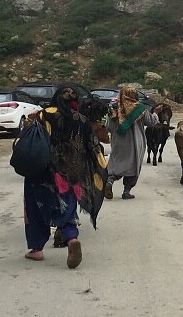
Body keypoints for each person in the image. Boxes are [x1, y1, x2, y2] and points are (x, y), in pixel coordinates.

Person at [23, 87, 106, 269]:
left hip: (42, 171)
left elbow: (27, 135)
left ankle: (36, 249)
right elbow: (94, 147)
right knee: (66, 207)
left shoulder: (43, 115)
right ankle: (71, 239)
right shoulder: (83, 120)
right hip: (70, 174)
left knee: (36, 208)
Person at [103, 85, 157, 199]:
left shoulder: (114, 108)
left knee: (117, 162)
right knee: (133, 166)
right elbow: (151, 122)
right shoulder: (140, 108)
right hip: (135, 144)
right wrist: (155, 114)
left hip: (118, 142)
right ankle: (126, 191)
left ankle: (109, 181)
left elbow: (108, 126)